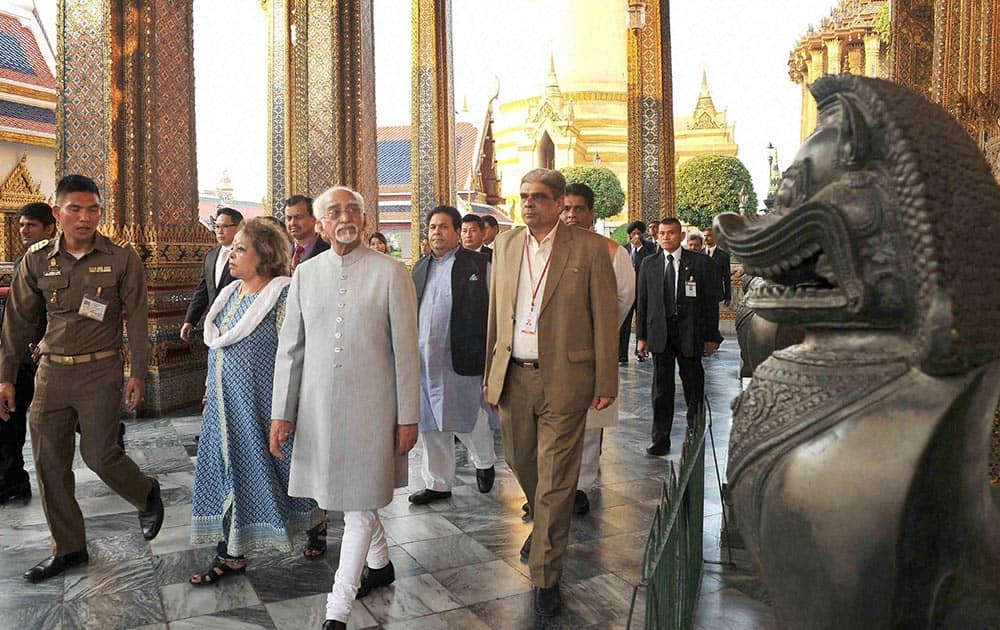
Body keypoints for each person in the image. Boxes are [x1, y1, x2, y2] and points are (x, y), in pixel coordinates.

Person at [0, 174, 163, 582]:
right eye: (75, 209)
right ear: (58, 212)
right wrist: (4, 376)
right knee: (49, 463)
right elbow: (17, 323)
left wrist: (137, 372)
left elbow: (138, 319)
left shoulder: (122, 257)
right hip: (51, 373)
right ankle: (69, 548)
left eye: (93, 209)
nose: (85, 218)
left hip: (100, 370)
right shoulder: (36, 259)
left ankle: (145, 492)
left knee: (99, 455)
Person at [270, 186, 420, 630]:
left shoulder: (392, 273)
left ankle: (337, 610)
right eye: (333, 211)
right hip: (318, 410)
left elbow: (406, 353)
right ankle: (382, 565)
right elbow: (290, 350)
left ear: (366, 218)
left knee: (356, 507)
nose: (345, 216)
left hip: (374, 411)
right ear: (320, 224)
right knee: (357, 500)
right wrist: (283, 412)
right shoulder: (306, 274)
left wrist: (408, 415)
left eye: (353, 208)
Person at [484, 168, 617, 618]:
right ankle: (547, 523)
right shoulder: (504, 245)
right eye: (523, 197)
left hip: (566, 377)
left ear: (560, 203)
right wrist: (491, 373)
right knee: (520, 461)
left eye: (538, 197)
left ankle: (546, 574)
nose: (528, 204)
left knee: (557, 477)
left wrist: (606, 382)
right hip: (514, 376)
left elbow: (605, 317)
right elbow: (497, 315)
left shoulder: (591, 249)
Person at [189, 218, 315, 584]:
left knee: (284, 473)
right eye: (233, 247)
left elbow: (295, 353)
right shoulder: (230, 295)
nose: (231, 254)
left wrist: (288, 410)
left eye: (241, 249)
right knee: (229, 475)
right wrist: (211, 387)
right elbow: (220, 351)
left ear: (265, 256)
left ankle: (316, 522)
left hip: (262, 409)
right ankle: (232, 553)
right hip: (224, 409)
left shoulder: (282, 295)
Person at [409, 205, 496, 506]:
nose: (437, 233)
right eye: (432, 227)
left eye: (444, 227)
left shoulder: (478, 264)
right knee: (430, 423)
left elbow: (495, 310)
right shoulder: (420, 268)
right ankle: (438, 482)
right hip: (424, 359)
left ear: (458, 233)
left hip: (461, 354)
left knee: (466, 416)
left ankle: (484, 462)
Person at [559, 183, 634, 515]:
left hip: (591, 352)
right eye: (566, 209)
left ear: (591, 213)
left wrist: (596, 335)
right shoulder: (551, 248)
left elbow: (622, 300)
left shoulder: (613, 252)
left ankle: (580, 486)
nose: (571, 215)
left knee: (589, 424)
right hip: (553, 353)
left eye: (578, 209)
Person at [636, 218, 722, 456]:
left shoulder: (699, 263)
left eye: (671, 233)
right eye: (662, 233)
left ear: (681, 236)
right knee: (661, 389)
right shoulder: (649, 264)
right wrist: (641, 337)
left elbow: (709, 303)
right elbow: (642, 302)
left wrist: (711, 336)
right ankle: (660, 439)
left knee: (693, 384)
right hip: (660, 333)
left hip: (689, 331)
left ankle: (695, 432)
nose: (666, 237)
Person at [0, 202, 57, 505]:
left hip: (51, 352)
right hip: (23, 354)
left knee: (68, 416)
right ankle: (12, 478)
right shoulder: (25, 259)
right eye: (22, 225)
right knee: (9, 412)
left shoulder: (58, 260)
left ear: (50, 227)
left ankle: (110, 435)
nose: (24, 230)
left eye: (31, 225)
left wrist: (46, 341)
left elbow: (59, 310)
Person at [180, 207, 244, 342]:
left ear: (239, 227)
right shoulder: (210, 257)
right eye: (216, 226)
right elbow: (202, 291)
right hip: (213, 325)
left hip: (238, 323)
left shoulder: (246, 255)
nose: (219, 231)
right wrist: (190, 320)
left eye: (225, 226)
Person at [621, 221, 656, 364]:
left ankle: (641, 351)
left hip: (643, 290)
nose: (636, 236)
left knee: (642, 320)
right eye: (633, 233)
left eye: (638, 233)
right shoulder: (623, 249)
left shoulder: (649, 248)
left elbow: (650, 264)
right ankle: (621, 354)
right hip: (627, 290)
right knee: (624, 323)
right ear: (629, 234)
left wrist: (640, 248)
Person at [284, 195, 329, 270]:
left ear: (314, 218)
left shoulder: (328, 250)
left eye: (298, 217)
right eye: (289, 218)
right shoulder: (282, 253)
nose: (292, 223)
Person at [703, 226, 732, 307]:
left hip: (716, 295)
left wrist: (728, 297)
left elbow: (727, 277)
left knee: (713, 319)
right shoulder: (699, 254)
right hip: (701, 295)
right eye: (704, 236)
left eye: (708, 235)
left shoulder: (723, 255)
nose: (705, 238)